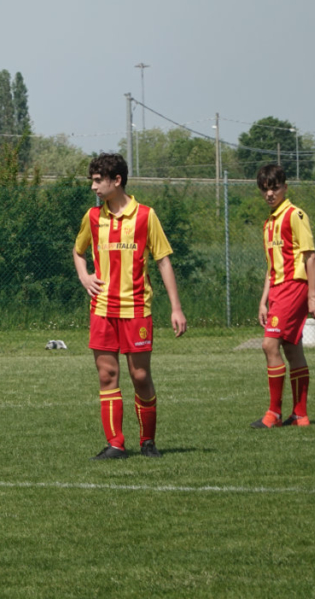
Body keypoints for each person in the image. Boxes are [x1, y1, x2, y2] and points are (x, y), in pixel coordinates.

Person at [73, 153, 187, 460]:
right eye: (93, 181)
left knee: (139, 377)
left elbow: (163, 260)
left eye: (98, 181)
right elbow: (78, 251)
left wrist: (176, 308)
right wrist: (85, 277)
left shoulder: (146, 216)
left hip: (136, 309)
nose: (94, 188)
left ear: (117, 180)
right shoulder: (93, 217)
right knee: (107, 375)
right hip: (102, 310)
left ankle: (148, 441)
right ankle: (116, 444)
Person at [252, 164, 315, 428]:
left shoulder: (295, 215)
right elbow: (271, 268)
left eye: (275, 187)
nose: (270, 193)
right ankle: (300, 415)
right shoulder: (268, 223)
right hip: (279, 290)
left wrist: (312, 296)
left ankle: (274, 414)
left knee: (269, 345)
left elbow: (311, 256)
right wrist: (263, 300)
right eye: (265, 189)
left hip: (294, 286)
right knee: (292, 349)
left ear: (285, 187)